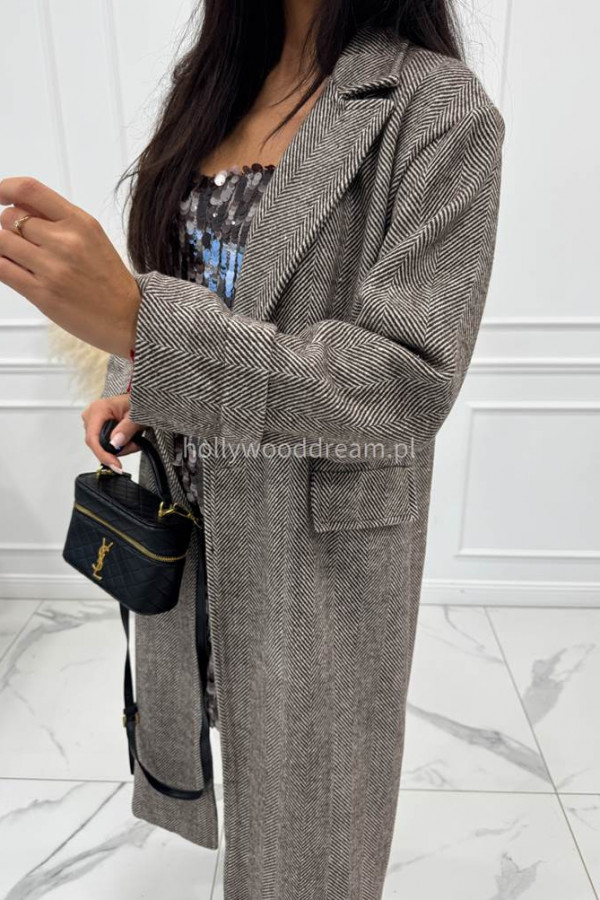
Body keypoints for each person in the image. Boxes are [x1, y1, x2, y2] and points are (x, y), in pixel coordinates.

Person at [0, 2, 505, 897]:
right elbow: (182, 281)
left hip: (311, 541)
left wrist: (144, 328)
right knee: (216, 748)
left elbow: (405, 382)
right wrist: (135, 381)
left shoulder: (437, 107)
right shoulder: (213, 84)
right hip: (187, 514)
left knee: (309, 830)